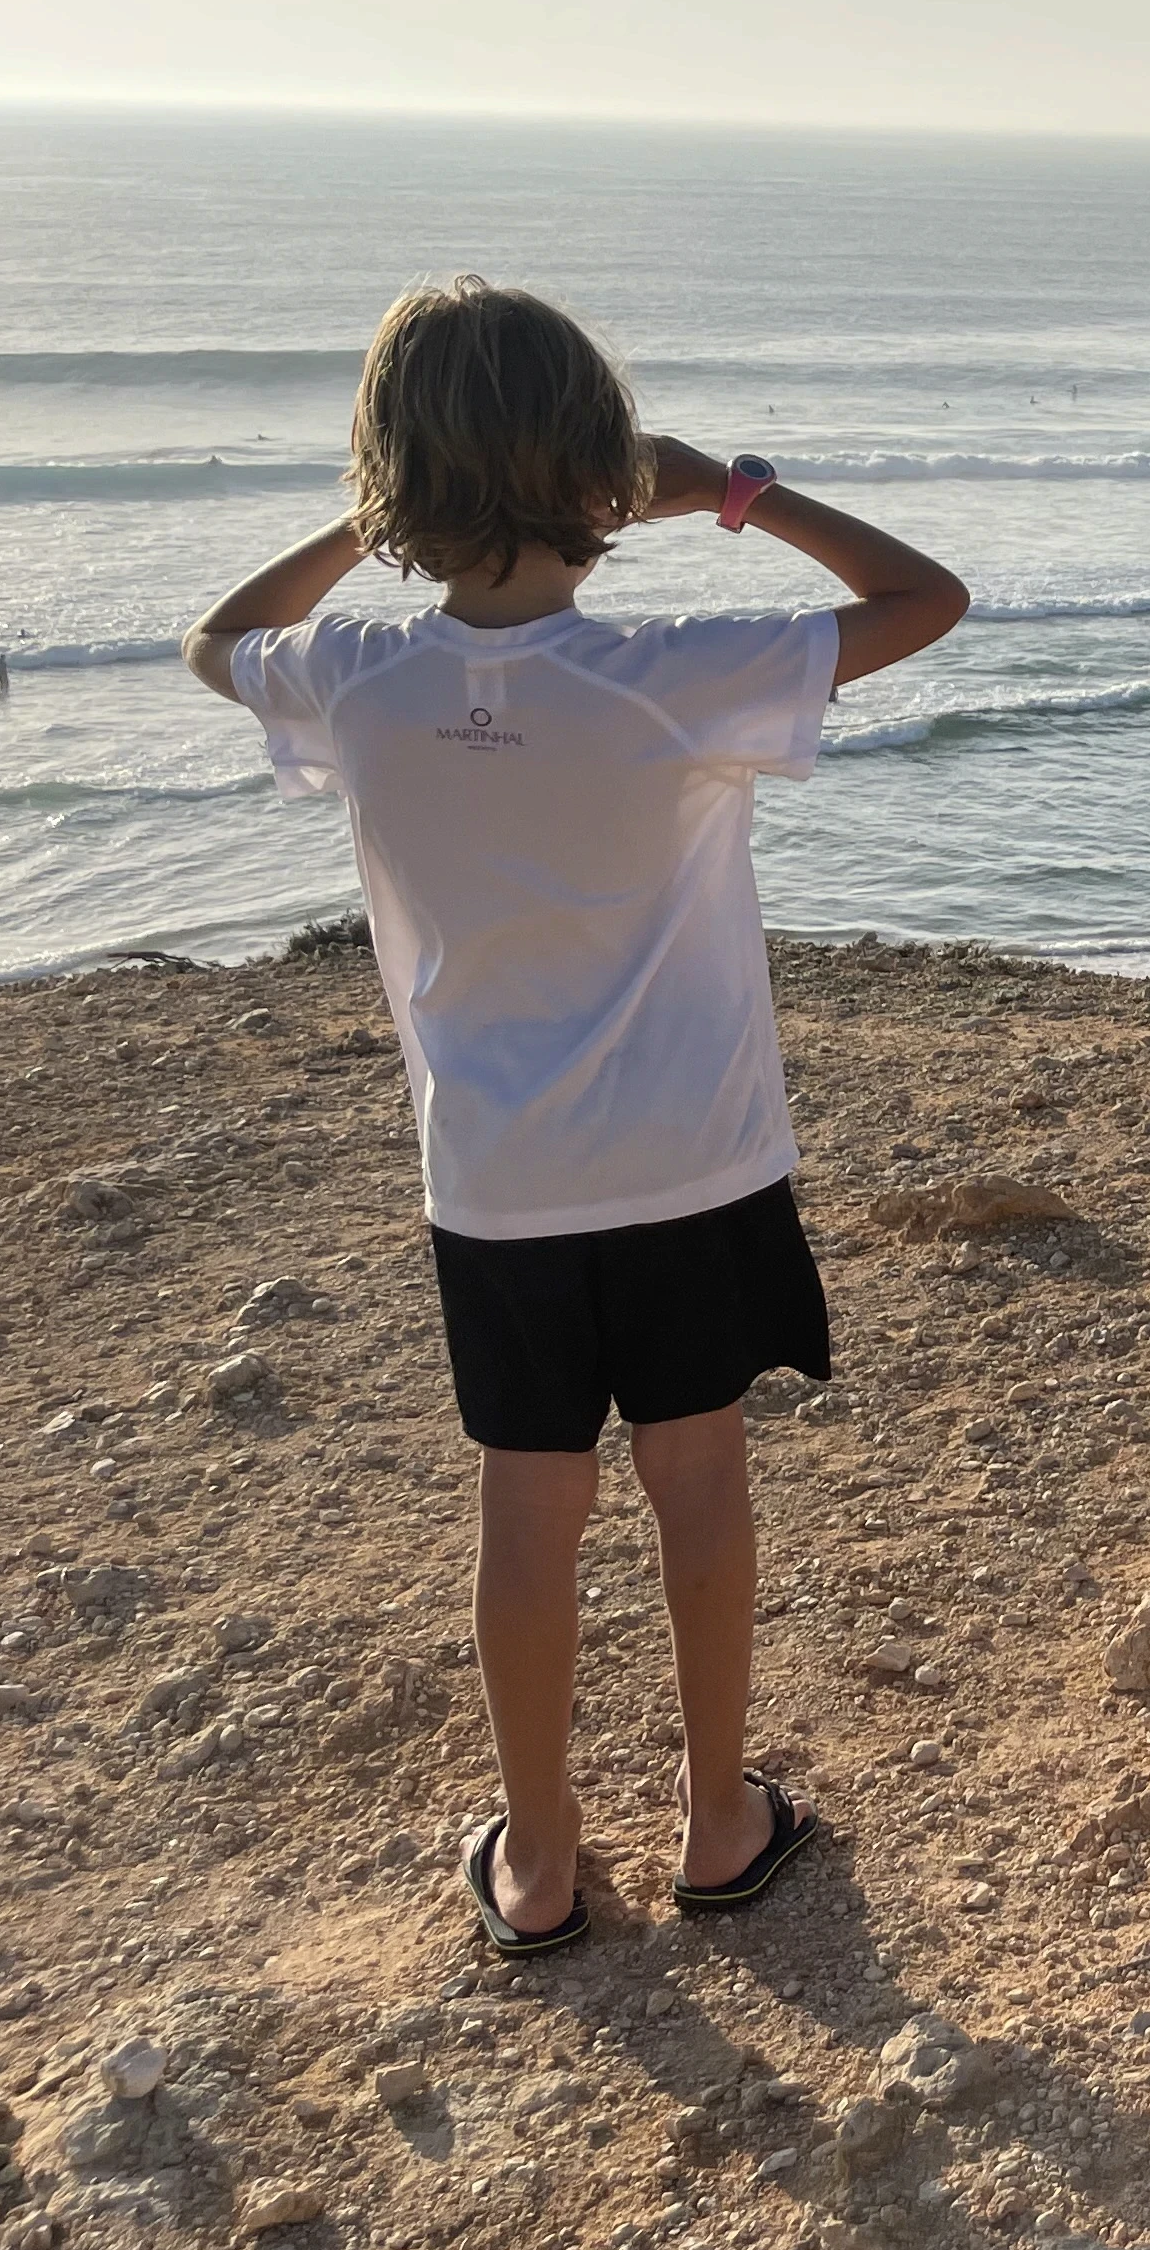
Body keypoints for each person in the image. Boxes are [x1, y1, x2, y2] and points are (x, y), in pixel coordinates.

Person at [180, 276, 968, 1957]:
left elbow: (208, 638)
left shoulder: (362, 680)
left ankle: (538, 1860)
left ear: (399, 481)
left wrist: (364, 518)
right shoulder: (675, 670)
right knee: (699, 1484)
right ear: (605, 471)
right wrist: (733, 491)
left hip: (497, 1180)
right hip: (690, 1159)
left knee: (524, 1514)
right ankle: (716, 1819)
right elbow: (925, 595)